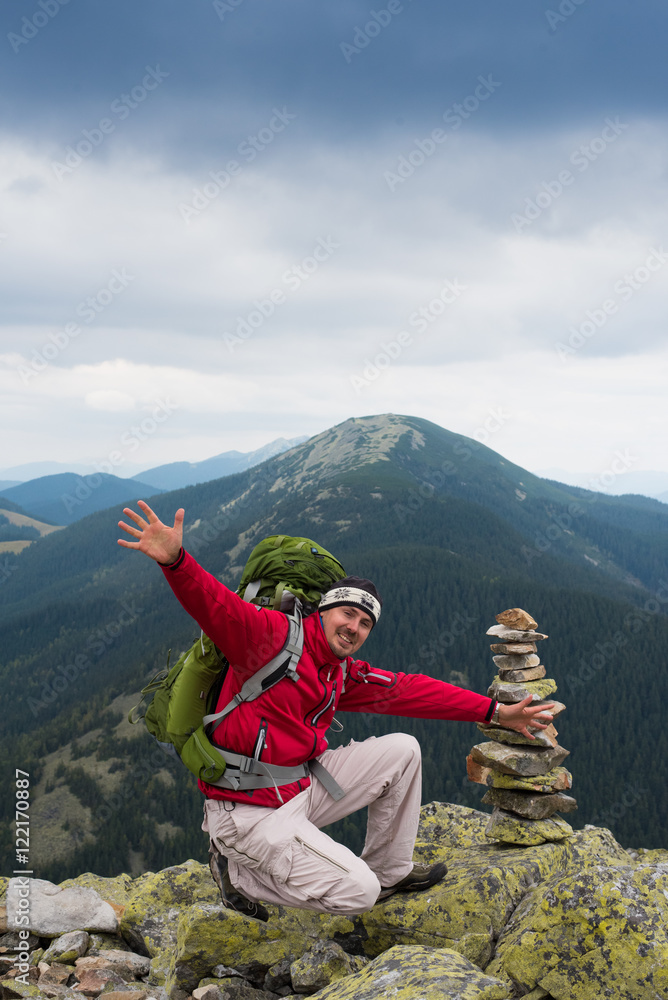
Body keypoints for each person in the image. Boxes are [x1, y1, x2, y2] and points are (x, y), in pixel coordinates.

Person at [118, 500, 556, 918]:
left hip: (297, 789)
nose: (355, 627)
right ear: (324, 611)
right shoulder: (266, 637)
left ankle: (391, 873)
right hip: (246, 811)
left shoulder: (339, 671)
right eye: (348, 613)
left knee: (404, 750)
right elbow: (214, 604)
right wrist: (175, 562)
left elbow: (409, 690)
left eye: (366, 623)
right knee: (357, 893)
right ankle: (239, 873)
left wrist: (498, 713)